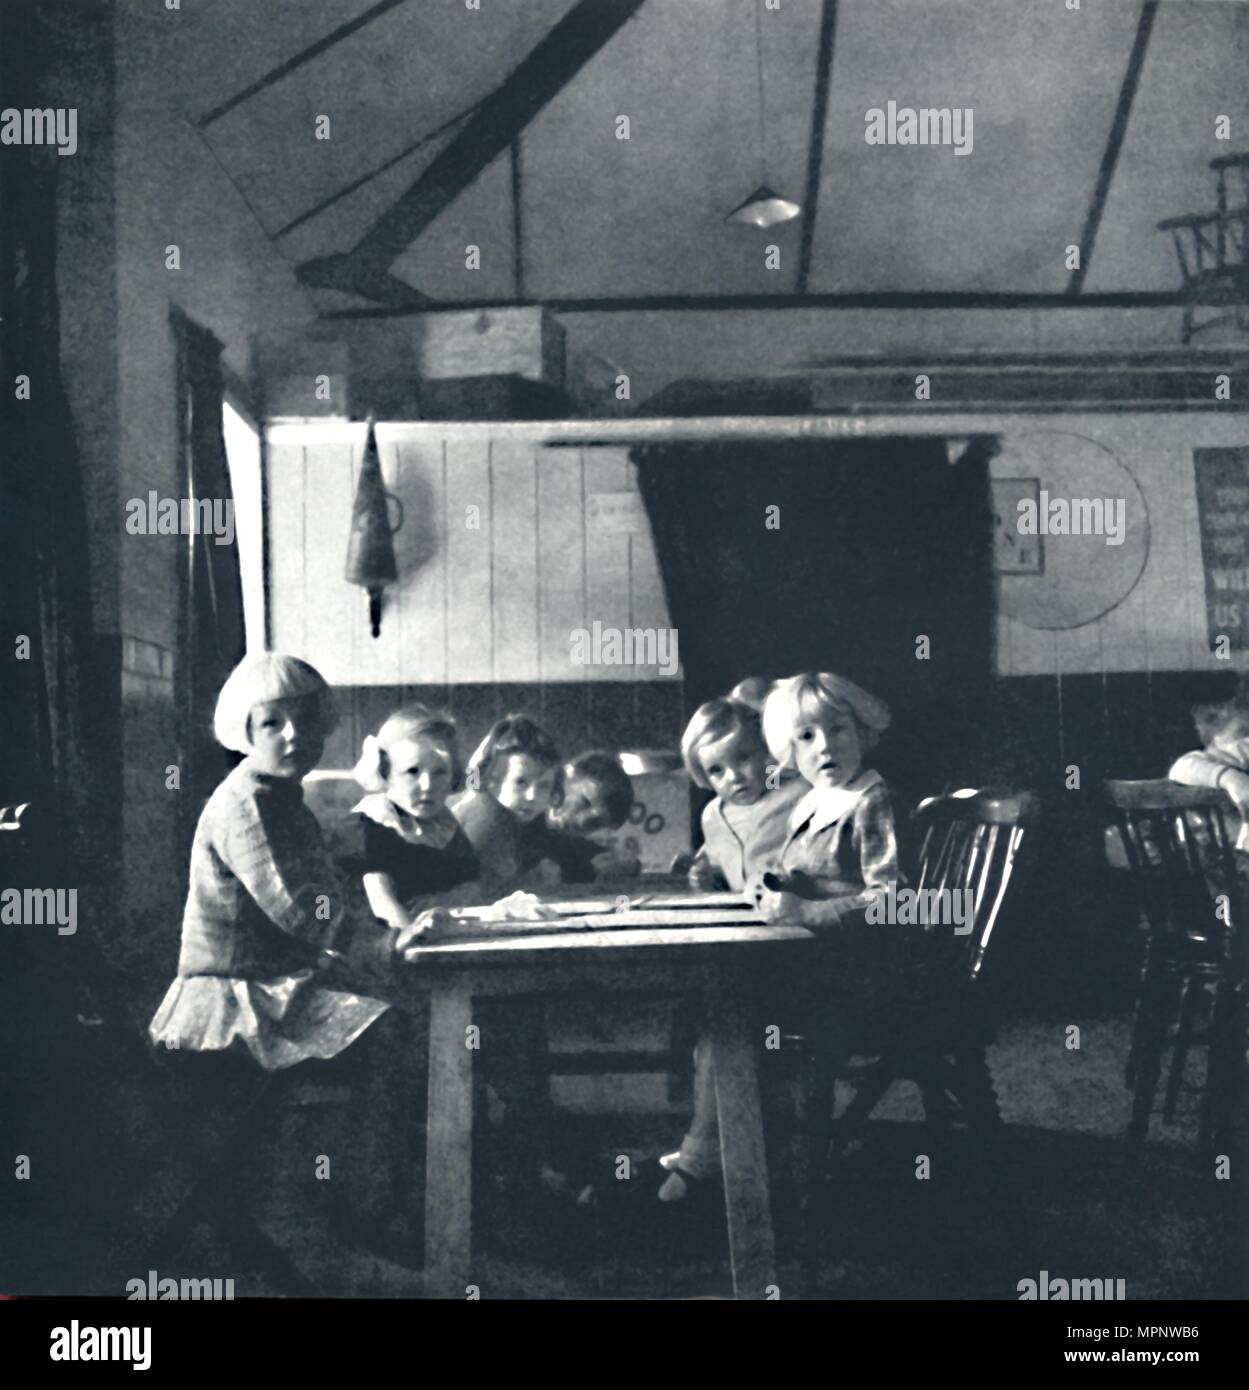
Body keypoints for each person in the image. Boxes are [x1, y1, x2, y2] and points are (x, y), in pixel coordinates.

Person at [349, 705, 481, 926]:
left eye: (440, 772)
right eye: (412, 772)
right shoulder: (373, 827)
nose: (427, 785)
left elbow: (472, 882)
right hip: (386, 940)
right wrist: (413, 936)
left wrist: (449, 900)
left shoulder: (442, 824)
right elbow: (382, 902)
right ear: (386, 772)